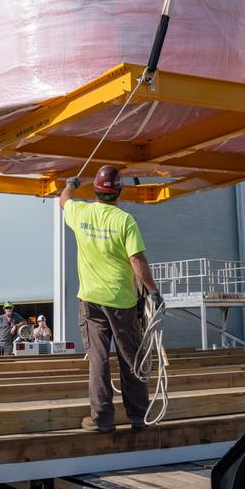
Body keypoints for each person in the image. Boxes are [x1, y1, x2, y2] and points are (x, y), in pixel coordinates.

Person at [60, 165, 162, 432]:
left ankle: (101, 419)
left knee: (98, 359)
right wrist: (153, 291)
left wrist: (71, 183)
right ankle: (138, 416)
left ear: (95, 190)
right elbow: (137, 260)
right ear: (119, 191)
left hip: (90, 300)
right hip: (121, 300)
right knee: (131, 357)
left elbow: (63, 201)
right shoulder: (124, 221)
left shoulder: (80, 212)